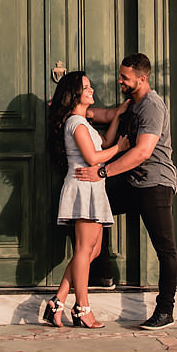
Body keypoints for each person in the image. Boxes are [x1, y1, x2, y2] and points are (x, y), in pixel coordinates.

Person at [74, 53, 177, 331]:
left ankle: (165, 310)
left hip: (155, 184)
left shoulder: (152, 106)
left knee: (166, 250)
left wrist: (103, 172)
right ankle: (102, 271)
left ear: (142, 78)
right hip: (133, 182)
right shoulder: (133, 103)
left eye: (125, 77)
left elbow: (143, 152)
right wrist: (73, 108)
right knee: (94, 202)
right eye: (120, 76)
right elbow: (107, 115)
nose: (119, 81)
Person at [43, 71, 130, 329]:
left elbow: (104, 142)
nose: (91, 90)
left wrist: (118, 116)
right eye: (86, 87)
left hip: (93, 188)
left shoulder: (84, 123)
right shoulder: (75, 123)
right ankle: (82, 308)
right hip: (83, 188)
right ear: (74, 94)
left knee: (92, 250)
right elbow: (93, 157)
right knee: (83, 250)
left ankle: (57, 301)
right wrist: (120, 149)